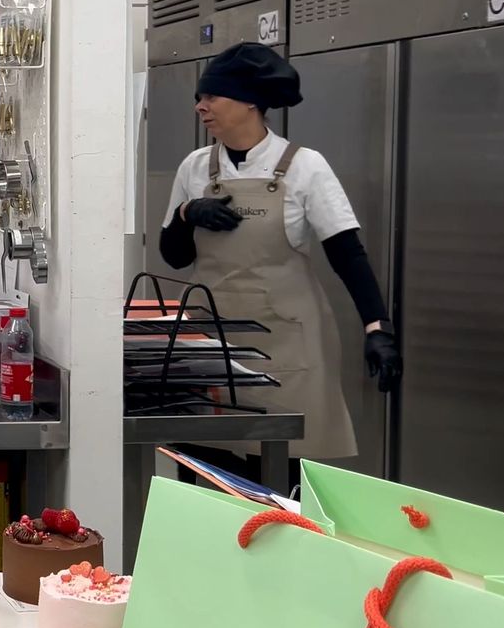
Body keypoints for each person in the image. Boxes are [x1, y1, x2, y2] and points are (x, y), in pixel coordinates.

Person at [159, 43, 402, 463]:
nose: (201, 107)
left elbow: (347, 253)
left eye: (211, 96)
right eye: (199, 98)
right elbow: (174, 256)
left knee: (280, 474)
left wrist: (376, 328)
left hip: (286, 344)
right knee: (208, 471)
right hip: (211, 345)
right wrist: (186, 213)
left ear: (250, 101)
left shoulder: (306, 167)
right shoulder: (195, 168)